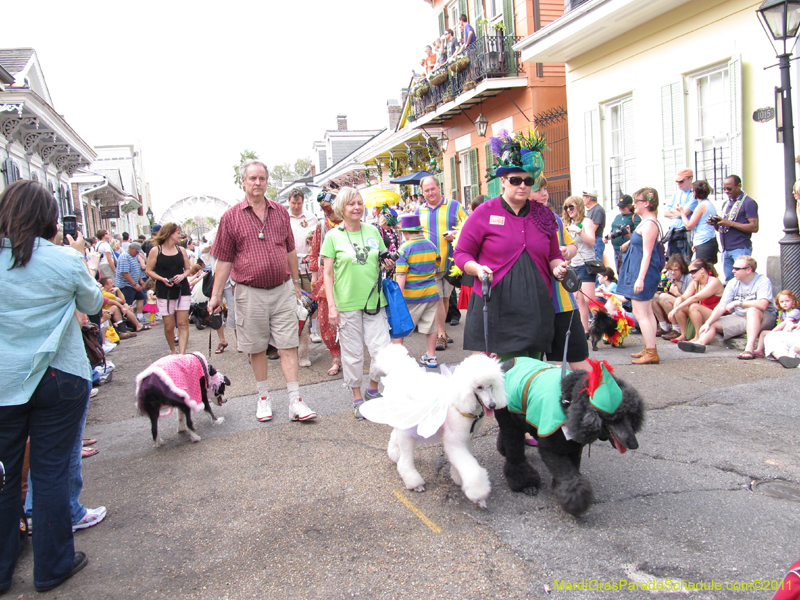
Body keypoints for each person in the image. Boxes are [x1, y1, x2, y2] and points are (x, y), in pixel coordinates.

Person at [0, 180, 103, 593]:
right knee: (50, 473)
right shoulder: (63, 259)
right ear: (47, 218)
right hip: (59, 376)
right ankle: (52, 565)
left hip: (5, 383)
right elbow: (92, 304)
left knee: (6, 477)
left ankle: (3, 567)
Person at [209, 159, 316, 422]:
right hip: (248, 292)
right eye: (252, 178)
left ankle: (295, 401)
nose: (257, 183)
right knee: (256, 347)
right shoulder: (230, 217)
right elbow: (224, 260)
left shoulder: (280, 212)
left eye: (262, 179)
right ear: (243, 182)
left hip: (281, 290)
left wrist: (294, 284)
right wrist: (215, 296)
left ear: (267, 182)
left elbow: (290, 249)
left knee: (288, 344)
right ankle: (263, 398)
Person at [454, 128, 567, 361]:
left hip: (536, 305)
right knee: (506, 372)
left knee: (533, 368)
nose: (523, 186)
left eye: (528, 181)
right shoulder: (483, 213)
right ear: (503, 181)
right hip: (498, 305)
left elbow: (554, 255)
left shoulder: (543, 215)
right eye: (516, 180)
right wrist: (477, 269)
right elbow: (462, 253)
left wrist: (558, 267)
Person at [320, 187, 394, 418]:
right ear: (342, 207)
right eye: (351, 204)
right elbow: (328, 274)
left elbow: (381, 258)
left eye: (360, 203)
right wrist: (332, 306)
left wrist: (387, 263)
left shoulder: (373, 230)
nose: (357, 207)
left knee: (381, 351)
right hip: (347, 304)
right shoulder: (333, 236)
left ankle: (372, 389)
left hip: (374, 302)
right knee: (352, 354)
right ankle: (356, 397)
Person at [530, 177, 590, 372]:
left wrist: (565, 252)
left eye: (545, 189)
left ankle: (596, 400)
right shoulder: (518, 222)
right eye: (539, 190)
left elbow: (572, 246)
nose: (545, 194)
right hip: (533, 305)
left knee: (577, 357)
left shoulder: (554, 219)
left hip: (562, 302)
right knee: (533, 365)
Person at [678, 255, 776, 359]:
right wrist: (708, 322)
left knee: (752, 310)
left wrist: (739, 303)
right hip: (741, 316)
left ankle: (749, 349)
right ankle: (699, 344)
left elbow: (763, 304)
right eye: (733, 268)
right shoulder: (733, 282)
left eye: (737, 269)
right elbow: (722, 306)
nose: (733, 271)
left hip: (764, 317)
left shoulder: (762, 281)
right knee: (713, 323)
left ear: (748, 270)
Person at [416, 175, 467, 351]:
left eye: (432, 189)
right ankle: (440, 335)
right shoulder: (419, 211)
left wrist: (455, 234)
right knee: (437, 298)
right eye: (426, 190)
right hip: (431, 264)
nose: (430, 193)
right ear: (422, 192)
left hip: (452, 264)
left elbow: (469, 227)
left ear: (439, 188)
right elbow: (413, 235)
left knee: (445, 298)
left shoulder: (455, 206)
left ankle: (442, 330)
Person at [617, 187, 663, 365]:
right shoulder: (646, 222)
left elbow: (648, 254)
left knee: (641, 312)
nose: (634, 204)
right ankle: (649, 346)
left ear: (647, 203)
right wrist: (629, 242)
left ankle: (652, 351)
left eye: (637, 201)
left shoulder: (650, 224)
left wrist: (640, 278)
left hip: (643, 272)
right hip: (639, 270)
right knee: (647, 311)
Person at [394, 214, 441, 368]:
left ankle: (399, 358)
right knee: (431, 326)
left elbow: (401, 276)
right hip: (431, 292)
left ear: (405, 232)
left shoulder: (404, 248)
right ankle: (431, 356)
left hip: (411, 295)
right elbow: (437, 264)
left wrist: (397, 299)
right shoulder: (431, 245)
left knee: (400, 327)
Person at [145, 222, 192, 355]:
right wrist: (161, 279)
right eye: (178, 233)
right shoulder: (156, 251)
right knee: (169, 325)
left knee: (183, 323)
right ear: (170, 234)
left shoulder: (181, 250)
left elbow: (188, 269)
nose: (180, 236)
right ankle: (173, 350)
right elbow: (148, 270)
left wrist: (182, 276)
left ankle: (182, 354)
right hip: (164, 289)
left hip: (181, 288)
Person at [665, 258, 724, 344]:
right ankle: (683, 334)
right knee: (680, 305)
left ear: (702, 270)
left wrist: (675, 309)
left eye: (693, 272)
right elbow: (685, 296)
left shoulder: (714, 281)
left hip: (717, 315)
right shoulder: (695, 282)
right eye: (690, 272)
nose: (691, 275)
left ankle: (697, 336)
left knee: (693, 306)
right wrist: (679, 298)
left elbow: (695, 298)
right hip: (703, 312)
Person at [562, 195, 598, 334]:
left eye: (571, 207)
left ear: (579, 206)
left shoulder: (586, 221)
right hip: (574, 264)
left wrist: (581, 232)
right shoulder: (568, 223)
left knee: (590, 300)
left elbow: (592, 242)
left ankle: (607, 325)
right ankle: (585, 331)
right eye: (566, 207)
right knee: (579, 299)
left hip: (586, 263)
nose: (569, 210)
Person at [713, 175, 758, 282]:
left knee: (744, 279)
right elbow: (724, 226)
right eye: (724, 189)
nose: (727, 191)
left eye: (729, 188)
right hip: (726, 248)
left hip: (740, 247)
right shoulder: (726, 203)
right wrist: (716, 223)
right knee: (730, 281)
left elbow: (754, 227)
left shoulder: (748, 202)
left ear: (739, 186)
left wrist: (730, 223)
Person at [287, 188, 319, 294]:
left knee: (311, 297)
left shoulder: (311, 218)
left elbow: (317, 241)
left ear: (303, 202)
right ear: (288, 201)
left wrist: (310, 254)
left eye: (299, 203)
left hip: (307, 266)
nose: (296, 206)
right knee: (294, 298)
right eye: (293, 203)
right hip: (290, 267)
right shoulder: (283, 217)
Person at [653, 254, 691, 340]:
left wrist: (677, 294)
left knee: (664, 297)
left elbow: (691, 300)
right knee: (653, 296)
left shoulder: (688, 278)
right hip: (674, 307)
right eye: (670, 270)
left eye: (676, 270)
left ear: (682, 269)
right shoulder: (669, 277)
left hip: (686, 307)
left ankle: (677, 329)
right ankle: (664, 327)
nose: (673, 272)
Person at [679, 180, 718, 264]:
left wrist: (681, 212)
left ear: (696, 192)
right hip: (709, 241)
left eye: (692, 191)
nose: (692, 193)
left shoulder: (701, 206)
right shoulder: (709, 204)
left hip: (703, 243)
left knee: (702, 270)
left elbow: (689, 226)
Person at [663, 168, 697, 261]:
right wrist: (679, 213)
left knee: (684, 263)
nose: (679, 184)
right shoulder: (676, 193)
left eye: (681, 181)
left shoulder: (693, 194)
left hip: (684, 233)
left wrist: (677, 212)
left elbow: (685, 213)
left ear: (690, 179)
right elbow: (665, 213)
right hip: (672, 232)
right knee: (671, 262)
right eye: (677, 181)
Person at [757, 289, 800, 360]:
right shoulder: (782, 312)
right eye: (782, 302)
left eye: (787, 301)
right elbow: (779, 322)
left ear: (793, 302)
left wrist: (773, 332)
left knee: (789, 323)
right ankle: (759, 350)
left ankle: (787, 354)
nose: (784, 303)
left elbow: (785, 322)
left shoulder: (795, 311)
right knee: (763, 333)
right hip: (782, 331)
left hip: (791, 332)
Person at [606, 195, 640, 272]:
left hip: (627, 249)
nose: (621, 209)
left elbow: (638, 235)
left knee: (626, 272)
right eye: (620, 207)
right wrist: (607, 237)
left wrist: (628, 240)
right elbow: (614, 229)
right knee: (619, 271)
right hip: (616, 249)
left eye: (623, 207)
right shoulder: (618, 217)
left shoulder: (635, 217)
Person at [115, 241, 147, 320]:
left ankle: (139, 316)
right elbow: (125, 273)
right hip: (125, 285)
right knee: (127, 303)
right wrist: (134, 284)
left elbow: (136, 269)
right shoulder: (124, 257)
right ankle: (128, 320)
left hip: (134, 283)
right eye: (136, 251)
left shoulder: (134, 256)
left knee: (141, 297)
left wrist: (140, 280)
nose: (137, 253)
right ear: (131, 249)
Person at [582, 188, 606, 262]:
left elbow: (593, 229)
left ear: (588, 198)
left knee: (596, 265)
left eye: (583, 198)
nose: (582, 200)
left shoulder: (597, 210)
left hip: (596, 241)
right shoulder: (591, 211)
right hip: (593, 241)